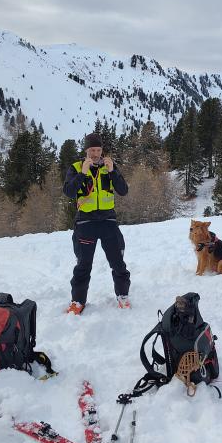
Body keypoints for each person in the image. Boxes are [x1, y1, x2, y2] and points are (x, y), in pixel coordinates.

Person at [62, 132, 131, 314]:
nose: (95, 153)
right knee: (84, 265)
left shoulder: (109, 166)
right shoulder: (76, 167)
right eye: (92, 150)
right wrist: (83, 174)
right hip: (86, 223)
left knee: (118, 262)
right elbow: (69, 192)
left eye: (98, 149)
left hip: (108, 221)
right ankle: (78, 301)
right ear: (86, 150)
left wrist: (113, 171)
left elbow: (123, 190)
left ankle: (123, 295)